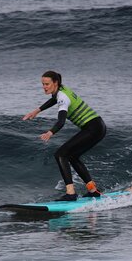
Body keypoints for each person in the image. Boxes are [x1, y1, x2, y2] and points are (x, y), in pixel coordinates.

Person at [23, 71, 106, 201]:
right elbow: (53, 99)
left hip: (93, 128)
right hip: (97, 126)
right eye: (43, 84)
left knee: (60, 154)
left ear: (55, 83)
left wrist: (50, 133)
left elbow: (61, 121)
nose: (44, 87)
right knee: (72, 156)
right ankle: (93, 190)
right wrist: (37, 110)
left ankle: (71, 193)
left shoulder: (62, 97)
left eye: (47, 84)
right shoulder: (62, 89)